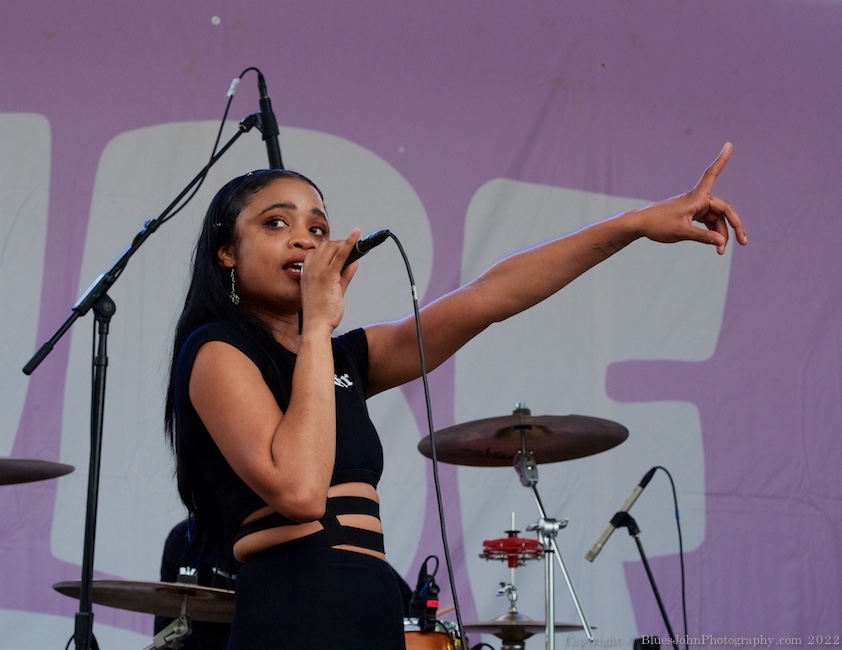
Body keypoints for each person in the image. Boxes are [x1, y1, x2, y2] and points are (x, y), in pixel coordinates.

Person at [164, 144, 747, 649]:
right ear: (225, 251)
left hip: (369, 610)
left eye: (318, 228)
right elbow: (297, 491)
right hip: (294, 612)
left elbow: (490, 296)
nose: (306, 238)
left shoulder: (342, 358)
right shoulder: (217, 351)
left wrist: (634, 225)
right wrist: (317, 324)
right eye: (275, 223)